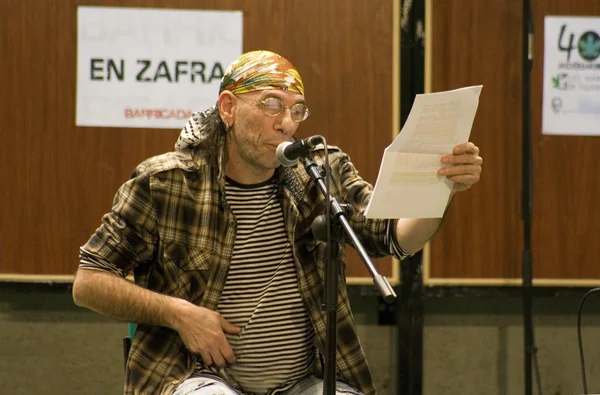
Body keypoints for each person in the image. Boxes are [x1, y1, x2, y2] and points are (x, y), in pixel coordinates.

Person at [72, 50, 483, 395]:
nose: (286, 122)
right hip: (195, 375)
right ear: (228, 108)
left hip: (306, 380)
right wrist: (179, 313)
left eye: (296, 109)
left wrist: (441, 187)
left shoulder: (320, 172)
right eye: (271, 104)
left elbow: (397, 237)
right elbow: (89, 282)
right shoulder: (165, 182)